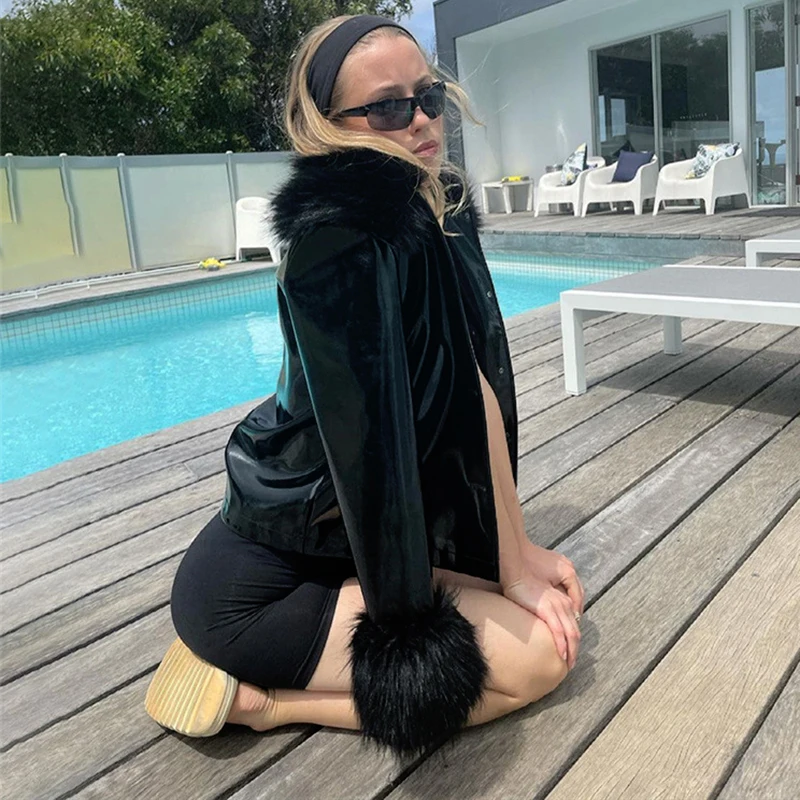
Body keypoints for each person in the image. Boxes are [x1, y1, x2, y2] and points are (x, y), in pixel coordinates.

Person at [145, 13, 584, 759]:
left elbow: (474, 387)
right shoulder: (339, 239)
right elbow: (369, 454)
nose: (420, 120)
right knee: (539, 659)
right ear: (330, 122)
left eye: (428, 97)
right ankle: (263, 704)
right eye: (387, 107)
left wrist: (519, 556)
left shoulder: (431, 205)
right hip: (259, 591)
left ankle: (274, 679)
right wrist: (477, 591)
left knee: (559, 596)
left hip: (340, 550)